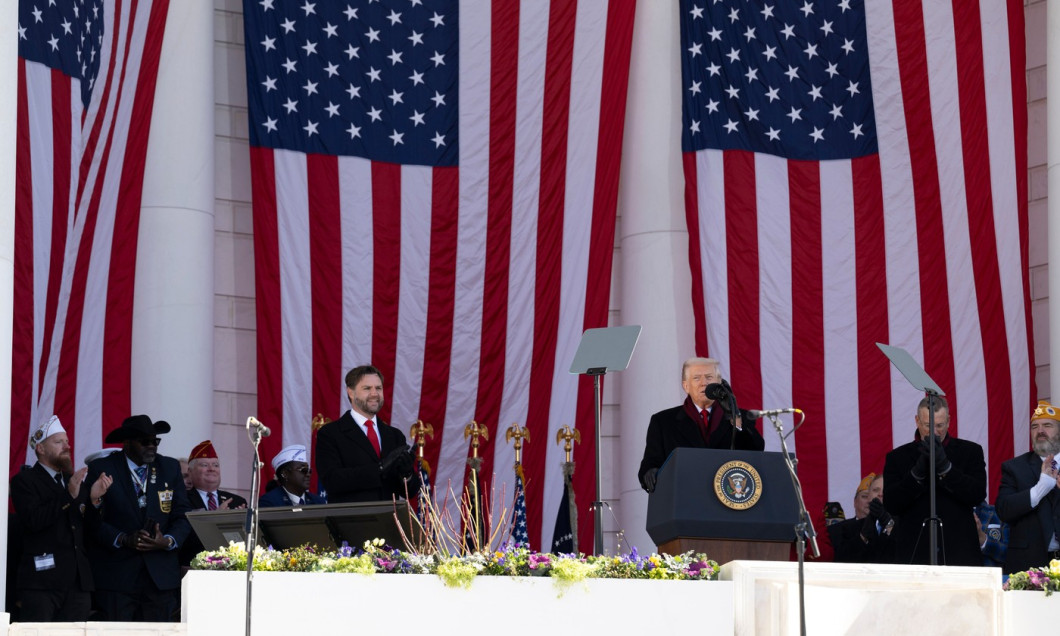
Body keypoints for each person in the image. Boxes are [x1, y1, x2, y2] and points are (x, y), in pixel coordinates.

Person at [85, 415, 191, 621]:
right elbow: (91, 520)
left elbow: (182, 515)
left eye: (155, 441)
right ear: (127, 443)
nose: (152, 446)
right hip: (118, 578)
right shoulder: (103, 469)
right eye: (145, 442)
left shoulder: (169, 468)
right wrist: (123, 538)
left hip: (160, 578)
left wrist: (167, 540)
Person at [10, 416, 113, 621]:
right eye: (58, 442)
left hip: (77, 583)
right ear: (40, 448)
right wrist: (68, 496)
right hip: (42, 583)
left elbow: (91, 530)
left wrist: (94, 499)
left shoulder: (71, 480)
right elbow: (33, 520)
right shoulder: (25, 480)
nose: (67, 446)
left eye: (66, 442)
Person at [883, 396, 985, 566]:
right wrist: (916, 474)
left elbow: (977, 494)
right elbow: (892, 503)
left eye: (939, 425)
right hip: (914, 553)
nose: (934, 432)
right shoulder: (898, 457)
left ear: (949, 421)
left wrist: (947, 469)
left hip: (959, 552)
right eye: (928, 425)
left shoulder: (970, 452)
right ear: (917, 421)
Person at [638, 357, 764, 492]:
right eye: (697, 378)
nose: (704, 383)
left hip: (729, 497)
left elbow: (756, 450)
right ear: (686, 386)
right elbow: (650, 462)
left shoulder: (741, 416)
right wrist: (650, 472)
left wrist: (734, 417)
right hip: (685, 497)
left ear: (719, 383)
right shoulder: (663, 421)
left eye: (709, 377)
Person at [315, 365, 419, 503]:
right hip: (352, 521)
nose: (374, 393)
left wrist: (407, 474)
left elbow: (409, 492)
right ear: (351, 393)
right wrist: (379, 469)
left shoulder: (394, 435)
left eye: (378, 388)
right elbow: (332, 481)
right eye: (367, 388)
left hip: (389, 521)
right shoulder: (331, 434)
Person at [995, 400, 1060, 574]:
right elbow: (1004, 509)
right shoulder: (1015, 467)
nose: (1040, 431)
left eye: (1047, 425)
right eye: (1034, 427)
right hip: (1029, 565)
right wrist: (1039, 490)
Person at [179, 441, 247, 567]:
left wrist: (241, 524)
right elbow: (181, 537)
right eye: (204, 465)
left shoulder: (237, 501)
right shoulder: (181, 499)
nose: (211, 469)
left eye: (216, 465)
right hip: (193, 567)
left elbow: (245, 541)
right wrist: (215, 518)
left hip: (231, 568)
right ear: (190, 471)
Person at [826, 473, 896, 563]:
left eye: (885, 490)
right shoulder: (849, 529)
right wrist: (862, 537)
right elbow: (842, 561)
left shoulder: (905, 525)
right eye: (875, 490)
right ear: (869, 497)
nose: (880, 494)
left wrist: (889, 524)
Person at [260, 445, 326, 507]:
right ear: (285, 474)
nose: (308, 474)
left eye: (309, 471)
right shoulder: (269, 502)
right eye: (303, 470)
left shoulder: (318, 502)